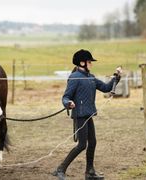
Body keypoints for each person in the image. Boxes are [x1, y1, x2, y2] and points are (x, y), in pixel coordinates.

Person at [53, 49, 121, 180]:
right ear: (82, 63)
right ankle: (60, 169)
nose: (91, 64)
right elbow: (65, 97)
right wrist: (68, 103)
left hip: (89, 114)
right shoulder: (75, 77)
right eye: (90, 61)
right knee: (82, 145)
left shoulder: (91, 77)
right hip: (80, 115)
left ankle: (90, 172)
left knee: (93, 142)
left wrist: (116, 78)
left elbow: (106, 88)